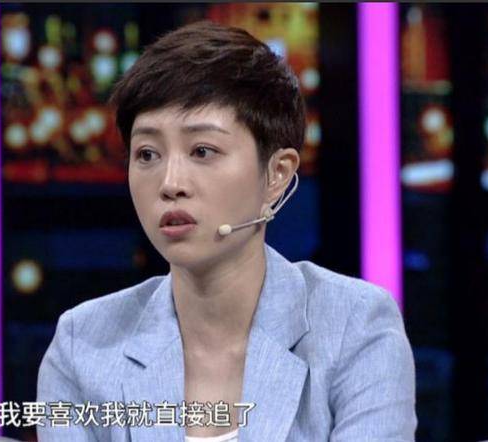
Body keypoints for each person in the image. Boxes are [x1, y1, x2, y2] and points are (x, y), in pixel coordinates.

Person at [37, 20, 416, 442]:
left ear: (277, 174)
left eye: (202, 151)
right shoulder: (83, 344)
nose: (170, 183)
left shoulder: (355, 327)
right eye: (147, 154)